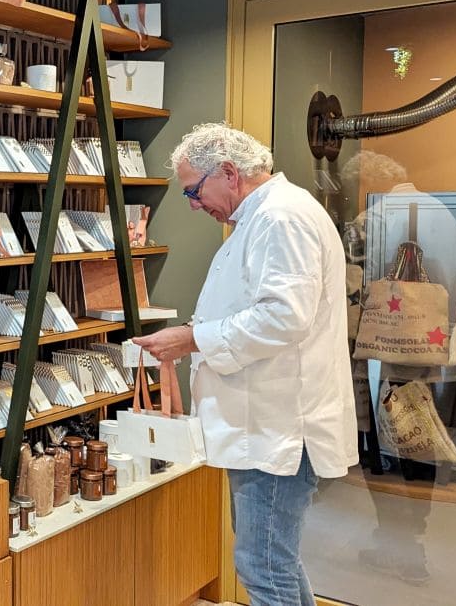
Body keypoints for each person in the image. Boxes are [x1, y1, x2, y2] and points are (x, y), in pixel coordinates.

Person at [133, 123, 357, 606]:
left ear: (229, 173)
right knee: (275, 561)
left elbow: (283, 318)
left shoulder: (280, 219)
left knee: (263, 567)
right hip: (264, 426)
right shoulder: (266, 216)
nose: (193, 204)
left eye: (194, 190)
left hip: (274, 430)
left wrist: (192, 339)